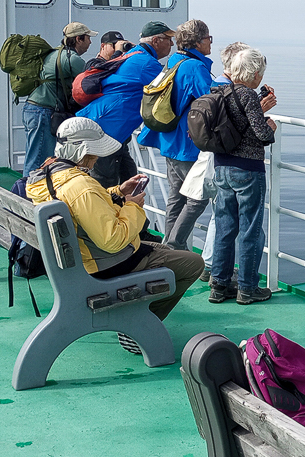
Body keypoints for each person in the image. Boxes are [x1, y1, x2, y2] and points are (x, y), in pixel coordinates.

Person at [25, 117, 203, 354]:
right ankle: (137, 325)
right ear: (82, 151)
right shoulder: (81, 186)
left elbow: (82, 206)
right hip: (102, 265)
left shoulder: (47, 174)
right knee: (192, 263)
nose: (97, 158)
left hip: (75, 260)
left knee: (167, 252)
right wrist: (133, 206)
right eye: (94, 153)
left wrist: (118, 192)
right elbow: (112, 240)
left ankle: (135, 318)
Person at [207, 46, 278, 305]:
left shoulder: (218, 91)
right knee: (250, 229)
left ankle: (219, 284)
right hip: (247, 170)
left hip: (221, 167)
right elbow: (262, 135)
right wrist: (270, 127)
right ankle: (247, 288)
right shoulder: (247, 95)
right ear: (254, 73)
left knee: (225, 227)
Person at [136, 20, 215, 251]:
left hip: (170, 141)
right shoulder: (194, 68)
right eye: (209, 38)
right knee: (197, 198)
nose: (210, 42)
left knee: (177, 198)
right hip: (187, 146)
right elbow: (212, 102)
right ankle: (174, 246)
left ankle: (169, 248)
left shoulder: (173, 61)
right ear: (199, 42)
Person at [78, 21, 174, 188]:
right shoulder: (145, 63)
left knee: (130, 179)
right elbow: (173, 86)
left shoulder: (134, 54)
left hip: (106, 127)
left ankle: (127, 212)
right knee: (105, 182)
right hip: (105, 129)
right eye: (168, 39)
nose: (172, 44)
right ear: (156, 41)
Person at [199, 41, 250, 281]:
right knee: (224, 216)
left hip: (214, 157)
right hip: (229, 159)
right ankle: (215, 268)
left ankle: (213, 266)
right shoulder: (226, 88)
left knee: (220, 213)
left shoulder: (215, 85)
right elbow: (238, 127)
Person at [21, 22, 93, 176]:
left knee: (33, 155)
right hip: (44, 112)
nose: (90, 42)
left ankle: (27, 193)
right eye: (88, 38)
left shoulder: (53, 54)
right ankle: (25, 197)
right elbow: (90, 84)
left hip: (32, 109)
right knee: (38, 161)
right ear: (79, 39)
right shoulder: (73, 60)